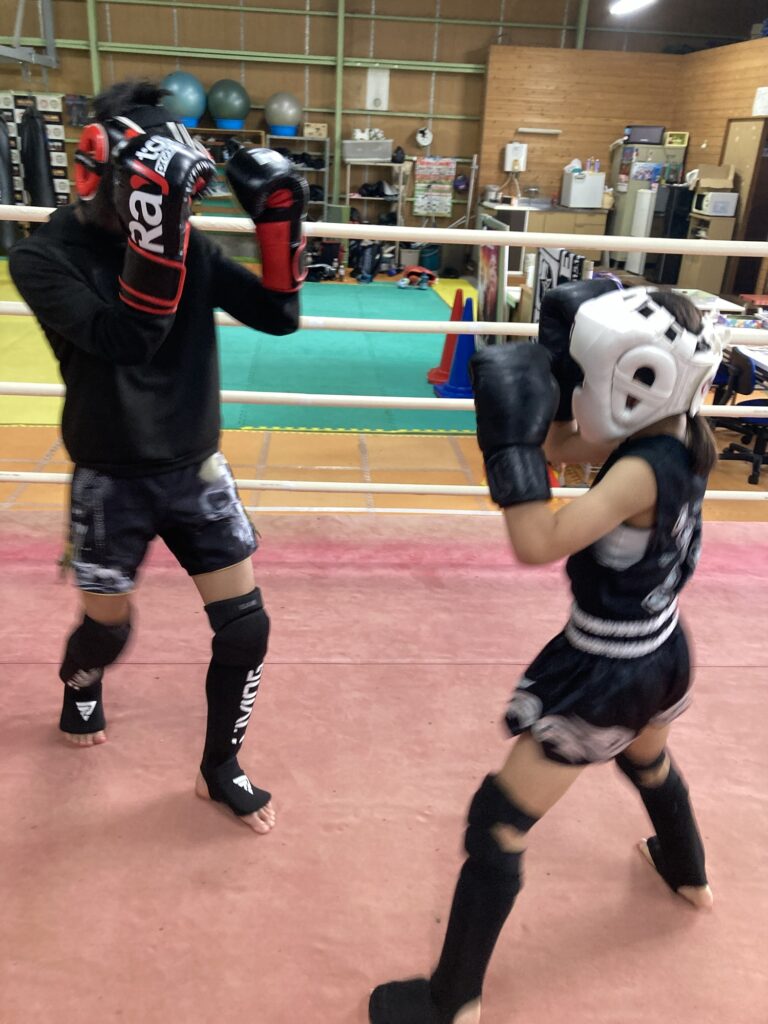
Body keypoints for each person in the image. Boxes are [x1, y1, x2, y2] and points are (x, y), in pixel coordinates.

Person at [369, 281, 722, 1023]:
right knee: (647, 760)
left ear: (636, 378)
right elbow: (563, 445)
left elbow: (538, 540)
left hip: (608, 671)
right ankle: (688, 872)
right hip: (662, 649)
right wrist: (557, 380)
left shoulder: (637, 471)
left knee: (497, 823)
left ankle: (451, 1001)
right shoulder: (683, 433)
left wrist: (505, 446)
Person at [9, 80, 308, 834]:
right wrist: (159, 230)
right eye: (149, 196)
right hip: (110, 476)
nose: (166, 211)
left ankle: (219, 767)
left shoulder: (189, 245)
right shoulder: (43, 260)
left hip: (194, 466)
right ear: (101, 175)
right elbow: (125, 339)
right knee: (107, 631)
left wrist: (279, 225)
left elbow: (278, 317)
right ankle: (81, 681)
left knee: (245, 628)